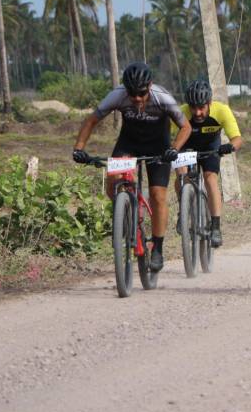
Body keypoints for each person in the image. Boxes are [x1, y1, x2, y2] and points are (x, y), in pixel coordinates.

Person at [72, 62, 192, 272]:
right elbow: (91, 120)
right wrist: (79, 148)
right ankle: (125, 213)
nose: (137, 98)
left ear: (150, 86)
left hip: (159, 146)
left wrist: (174, 148)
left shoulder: (161, 96)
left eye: (141, 93)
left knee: (157, 195)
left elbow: (186, 126)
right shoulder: (117, 95)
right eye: (132, 93)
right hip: (129, 143)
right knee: (113, 179)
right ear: (125, 89)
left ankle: (158, 248)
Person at [173, 79, 243, 248]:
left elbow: (238, 138)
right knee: (181, 175)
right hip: (187, 147)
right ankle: (184, 211)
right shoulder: (181, 112)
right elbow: (165, 136)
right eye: (193, 107)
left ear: (210, 103)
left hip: (211, 148)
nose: (197, 112)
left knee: (210, 178)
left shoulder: (222, 111)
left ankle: (216, 227)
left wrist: (230, 146)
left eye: (201, 107)